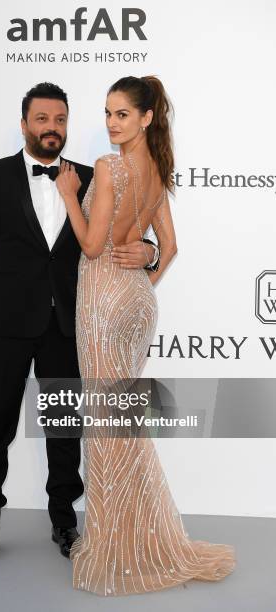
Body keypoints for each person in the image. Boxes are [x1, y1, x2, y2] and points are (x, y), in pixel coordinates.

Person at [0, 82, 160, 567]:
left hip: (66, 324)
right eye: (42, 119)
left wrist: (148, 251)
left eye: (60, 120)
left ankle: (65, 523)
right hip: (2, 325)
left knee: (64, 428)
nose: (51, 128)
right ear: (24, 124)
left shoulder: (92, 176)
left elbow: (126, 231)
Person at [54, 75, 236, 596]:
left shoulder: (110, 169)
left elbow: (91, 246)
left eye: (122, 115)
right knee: (122, 424)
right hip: (135, 301)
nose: (111, 123)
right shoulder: (157, 170)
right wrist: (142, 277)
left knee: (108, 429)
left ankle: (116, 548)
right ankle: (131, 537)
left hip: (104, 305)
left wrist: (70, 195)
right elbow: (169, 246)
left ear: (146, 118)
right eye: (107, 113)